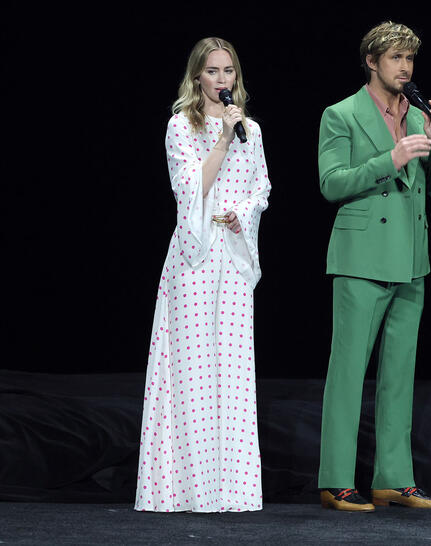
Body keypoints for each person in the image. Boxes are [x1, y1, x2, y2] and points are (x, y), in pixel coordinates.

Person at [316, 21, 431, 512]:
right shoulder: (341, 114)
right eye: (396, 58)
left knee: (400, 374)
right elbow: (331, 183)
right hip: (362, 259)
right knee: (348, 373)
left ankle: (393, 478)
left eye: (410, 58)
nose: (405, 67)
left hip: (412, 259)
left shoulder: (418, 115)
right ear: (371, 62)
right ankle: (336, 479)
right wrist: (390, 159)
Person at [135, 37, 271, 513]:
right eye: (212, 71)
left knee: (231, 370)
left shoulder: (251, 129)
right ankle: (184, 488)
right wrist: (222, 138)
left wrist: (241, 213)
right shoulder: (180, 126)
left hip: (232, 254)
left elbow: (261, 189)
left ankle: (230, 489)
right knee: (191, 370)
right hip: (194, 257)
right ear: (197, 76)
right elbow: (191, 187)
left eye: (228, 71)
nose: (222, 79)